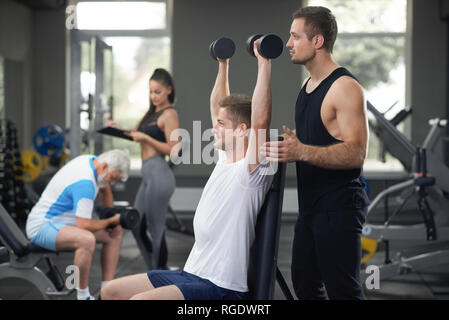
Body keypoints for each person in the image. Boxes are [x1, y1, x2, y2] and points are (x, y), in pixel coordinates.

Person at [101, 41, 275, 300]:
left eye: (220, 124)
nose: (213, 127)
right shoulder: (224, 158)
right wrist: (223, 64)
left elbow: (260, 119)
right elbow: (218, 105)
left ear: (241, 130)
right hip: (192, 272)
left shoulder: (251, 171)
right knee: (110, 291)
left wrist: (264, 61)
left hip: (220, 286)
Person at [261, 6, 370, 300]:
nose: (288, 43)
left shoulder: (345, 88)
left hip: (340, 207)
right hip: (310, 207)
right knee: (306, 285)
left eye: (295, 36)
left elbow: (356, 154)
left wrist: (303, 150)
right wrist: (297, 144)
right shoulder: (308, 85)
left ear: (318, 41)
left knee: (343, 291)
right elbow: (320, 140)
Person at [25, 149, 131, 300]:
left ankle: (107, 291)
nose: (112, 183)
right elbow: (83, 225)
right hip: (42, 226)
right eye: (113, 178)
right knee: (86, 239)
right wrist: (110, 221)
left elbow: (105, 189)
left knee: (114, 234)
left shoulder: (94, 161)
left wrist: (113, 220)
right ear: (104, 167)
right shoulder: (85, 183)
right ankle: (82, 295)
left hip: (64, 223)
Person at [108, 68, 180, 270]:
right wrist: (117, 130)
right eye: (150, 92)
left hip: (159, 173)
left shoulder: (169, 114)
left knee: (156, 230)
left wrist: (147, 138)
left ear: (168, 90)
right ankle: (155, 271)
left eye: (157, 92)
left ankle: (159, 276)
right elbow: (136, 136)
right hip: (148, 174)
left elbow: (174, 150)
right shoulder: (152, 114)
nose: (153, 96)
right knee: (136, 224)